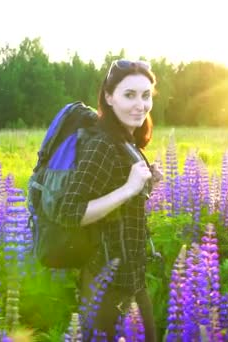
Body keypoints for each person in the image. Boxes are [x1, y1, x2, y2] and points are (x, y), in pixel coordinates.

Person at [57, 59, 162, 341]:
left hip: (132, 278)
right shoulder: (102, 145)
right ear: (108, 96)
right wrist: (129, 188)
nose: (140, 105)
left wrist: (145, 182)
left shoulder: (126, 141)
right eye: (129, 95)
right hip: (107, 283)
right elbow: (69, 211)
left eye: (146, 95)